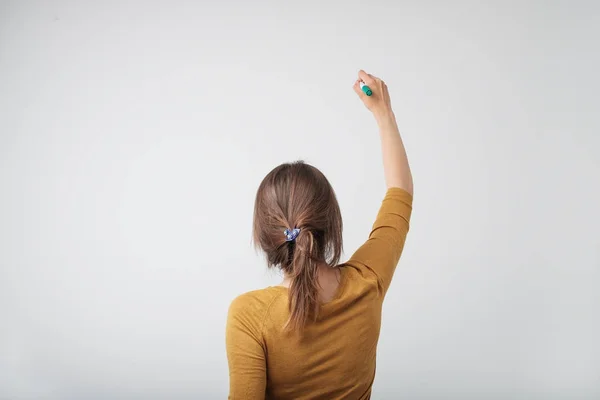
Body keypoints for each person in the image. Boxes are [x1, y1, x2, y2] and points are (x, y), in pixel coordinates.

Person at [225, 70, 414, 399]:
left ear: (264, 235)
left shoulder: (249, 315)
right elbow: (400, 192)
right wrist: (383, 112)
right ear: (331, 224)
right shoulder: (367, 281)